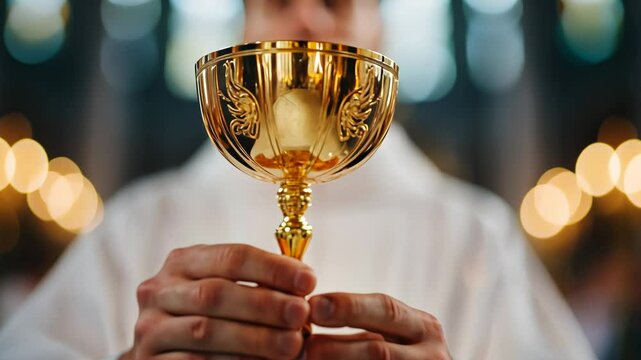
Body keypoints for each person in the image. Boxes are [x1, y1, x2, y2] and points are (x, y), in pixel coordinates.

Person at [0, 0, 597, 359]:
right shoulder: (139, 222)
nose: (307, 15)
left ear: (381, 37)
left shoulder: (476, 234)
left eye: (337, 1)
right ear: (238, 35)